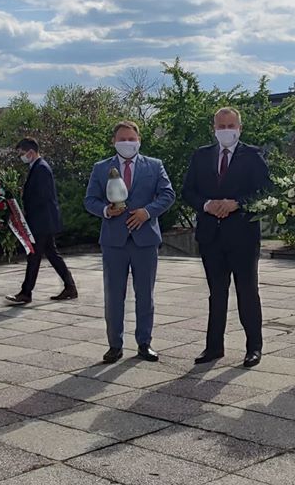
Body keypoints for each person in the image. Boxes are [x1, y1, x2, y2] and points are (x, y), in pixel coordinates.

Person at [184, 106, 271, 367]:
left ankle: (253, 347)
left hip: (242, 235)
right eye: (221, 126)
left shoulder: (253, 155)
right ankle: (214, 347)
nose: (226, 130)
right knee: (216, 293)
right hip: (211, 235)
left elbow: (265, 191)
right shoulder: (201, 156)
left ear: (240, 128)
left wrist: (237, 203)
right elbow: (188, 191)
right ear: (214, 129)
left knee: (247, 291)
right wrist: (207, 205)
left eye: (230, 126)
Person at [83, 121, 173, 363]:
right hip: (114, 242)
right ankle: (115, 345)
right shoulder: (101, 168)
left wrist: (147, 212)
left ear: (139, 140)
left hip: (145, 240)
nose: (127, 143)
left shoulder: (154, 165)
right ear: (114, 142)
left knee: (145, 295)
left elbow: (168, 194)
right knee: (114, 296)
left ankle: (144, 343)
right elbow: (90, 200)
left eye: (132, 139)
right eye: (122, 139)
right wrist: (105, 210)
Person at [5, 138, 78, 306]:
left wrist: (26, 208)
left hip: (42, 220)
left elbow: (43, 196)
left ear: (30, 152)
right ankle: (70, 287)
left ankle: (26, 293)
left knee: (34, 255)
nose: (21, 157)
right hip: (42, 220)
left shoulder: (41, 168)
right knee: (51, 254)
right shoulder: (37, 167)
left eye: (22, 153)